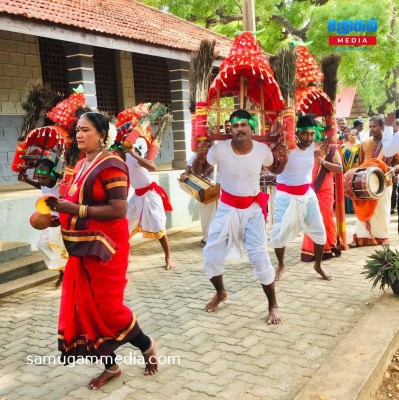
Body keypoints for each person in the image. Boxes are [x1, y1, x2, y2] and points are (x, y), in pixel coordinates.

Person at [45, 112, 157, 390]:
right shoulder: (80, 163)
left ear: (102, 134)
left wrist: (76, 210)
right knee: (85, 307)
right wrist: (54, 214)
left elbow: (118, 210)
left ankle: (146, 345)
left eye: (85, 130)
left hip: (106, 247)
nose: (79, 135)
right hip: (80, 246)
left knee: (108, 308)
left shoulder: (112, 165)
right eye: (77, 130)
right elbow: (68, 201)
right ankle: (111, 366)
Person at [192, 109, 288, 325]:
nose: (240, 129)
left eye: (244, 124)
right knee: (211, 254)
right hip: (226, 208)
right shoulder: (219, 149)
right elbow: (200, 170)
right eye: (235, 126)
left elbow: (277, 169)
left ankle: (273, 304)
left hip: (252, 210)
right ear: (230, 129)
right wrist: (199, 155)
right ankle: (221, 293)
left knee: (259, 258)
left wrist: (284, 156)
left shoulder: (263, 150)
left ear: (251, 127)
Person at [269, 114, 332, 281]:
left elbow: (325, 141)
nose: (309, 138)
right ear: (296, 133)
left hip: (307, 196)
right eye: (305, 134)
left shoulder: (313, 147)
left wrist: (321, 153)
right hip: (285, 196)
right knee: (278, 234)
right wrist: (281, 157)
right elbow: (273, 170)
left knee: (320, 232)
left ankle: (318, 265)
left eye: (312, 134)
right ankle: (281, 264)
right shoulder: (286, 147)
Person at [349, 115, 398, 247]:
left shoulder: (392, 143)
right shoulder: (365, 144)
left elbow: (398, 163)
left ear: (383, 127)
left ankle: (381, 237)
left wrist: (393, 170)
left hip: (384, 182)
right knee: (362, 208)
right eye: (370, 127)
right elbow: (360, 165)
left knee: (382, 210)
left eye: (374, 126)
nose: (371, 129)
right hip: (365, 183)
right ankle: (361, 237)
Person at [125, 144, 175, 270]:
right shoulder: (120, 156)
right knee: (125, 224)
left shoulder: (135, 154)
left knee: (158, 226)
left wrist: (134, 154)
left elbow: (152, 167)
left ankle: (168, 257)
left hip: (150, 195)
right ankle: (125, 254)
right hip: (137, 196)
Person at [18, 159, 66, 287]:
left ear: (52, 174)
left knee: (62, 249)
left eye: (43, 177)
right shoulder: (44, 182)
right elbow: (42, 186)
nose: (40, 179)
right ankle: (63, 271)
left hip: (64, 221)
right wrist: (27, 180)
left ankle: (66, 274)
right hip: (50, 219)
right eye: (38, 176)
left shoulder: (63, 184)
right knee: (42, 244)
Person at [301, 140, 343, 261]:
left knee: (325, 216)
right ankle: (311, 250)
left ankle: (328, 246)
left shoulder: (331, 149)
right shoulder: (306, 146)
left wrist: (323, 161)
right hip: (308, 188)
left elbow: (339, 169)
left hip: (325, 189)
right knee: (310, 218)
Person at [180, 153, 218, 243]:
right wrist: (185, 174)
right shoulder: (198, 153)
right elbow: (189, 165)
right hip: (203, 188)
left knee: (218, 214)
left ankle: (216, 237)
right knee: (205, 214)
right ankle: (207, 237)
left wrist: (207, 171)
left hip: (218, 186)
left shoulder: (217, 151)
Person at [341, 129, 360, 213]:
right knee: (345, 187)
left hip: (355, 169)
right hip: (345, 169)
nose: (350, 136)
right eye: (349, 134)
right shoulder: (343, 146)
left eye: (353, 134)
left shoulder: (360, 145)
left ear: (356, 136)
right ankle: (347, 208)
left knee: (354, 187)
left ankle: (355, 207)